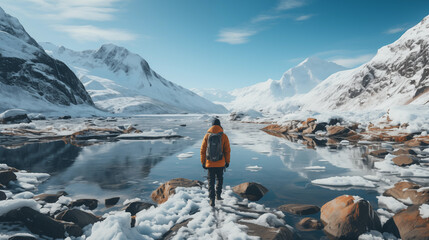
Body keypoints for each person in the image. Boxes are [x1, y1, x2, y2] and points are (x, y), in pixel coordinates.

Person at [200, 118, 231, 207]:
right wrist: (227, 161)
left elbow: (202, 150)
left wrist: (203, 162)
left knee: (211, 181)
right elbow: (227, 150)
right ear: (220, 125)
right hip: (220, 163)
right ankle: (218, 196)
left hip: (209, 162)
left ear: (212, 125)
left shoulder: (207, 136)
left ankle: (211, 199)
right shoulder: (224, 136)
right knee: (219, 179)